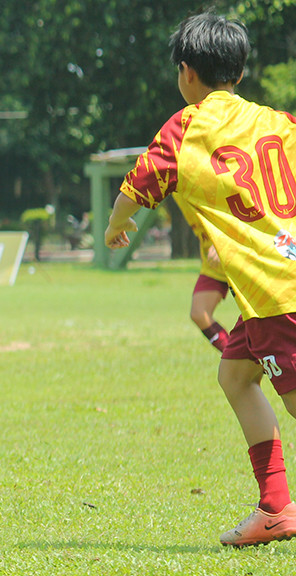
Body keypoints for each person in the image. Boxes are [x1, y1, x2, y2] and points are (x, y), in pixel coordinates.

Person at [105, 13, 296, 546]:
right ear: (238, 70)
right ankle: (276, 508)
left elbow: (135, 188)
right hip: (268, 292)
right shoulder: (281, 122)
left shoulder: (187, 126)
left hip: (277, 293)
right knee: (235, 376)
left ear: (186, 72)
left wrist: (116, 228)